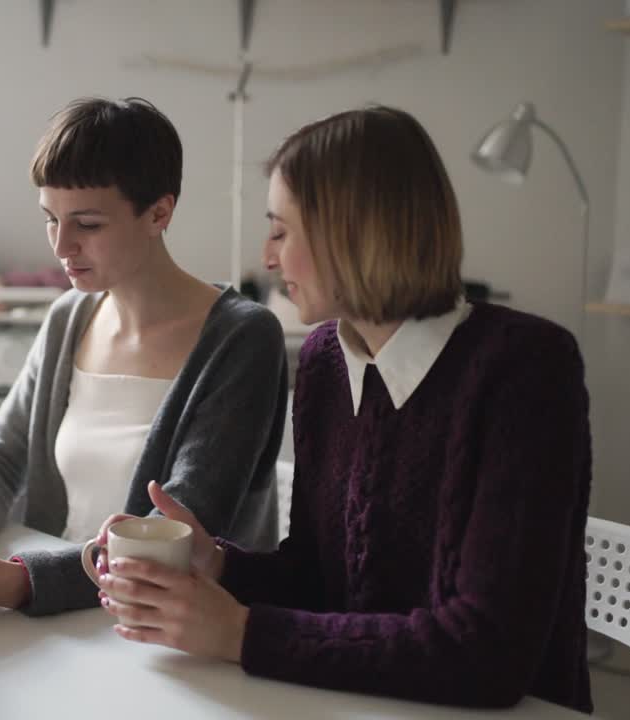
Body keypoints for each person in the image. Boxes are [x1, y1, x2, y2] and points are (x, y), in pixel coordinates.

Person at [93, 105, 594, 713]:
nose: (268, 258)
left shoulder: (527, 369)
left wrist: (241, 634)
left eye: (281, 231)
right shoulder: (327, 360)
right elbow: (318, 578)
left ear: (351, 232)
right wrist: (216, 564)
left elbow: (487, 654)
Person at [0, 97, 288, 618]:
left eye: (87, 225)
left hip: (164, 630)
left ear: (159, 212)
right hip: (57, 615)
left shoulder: (243, 338)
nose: (62, 246)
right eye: (51, 219)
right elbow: (2, 449)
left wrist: (14, 583)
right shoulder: (70, 317)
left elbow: (176, 534)